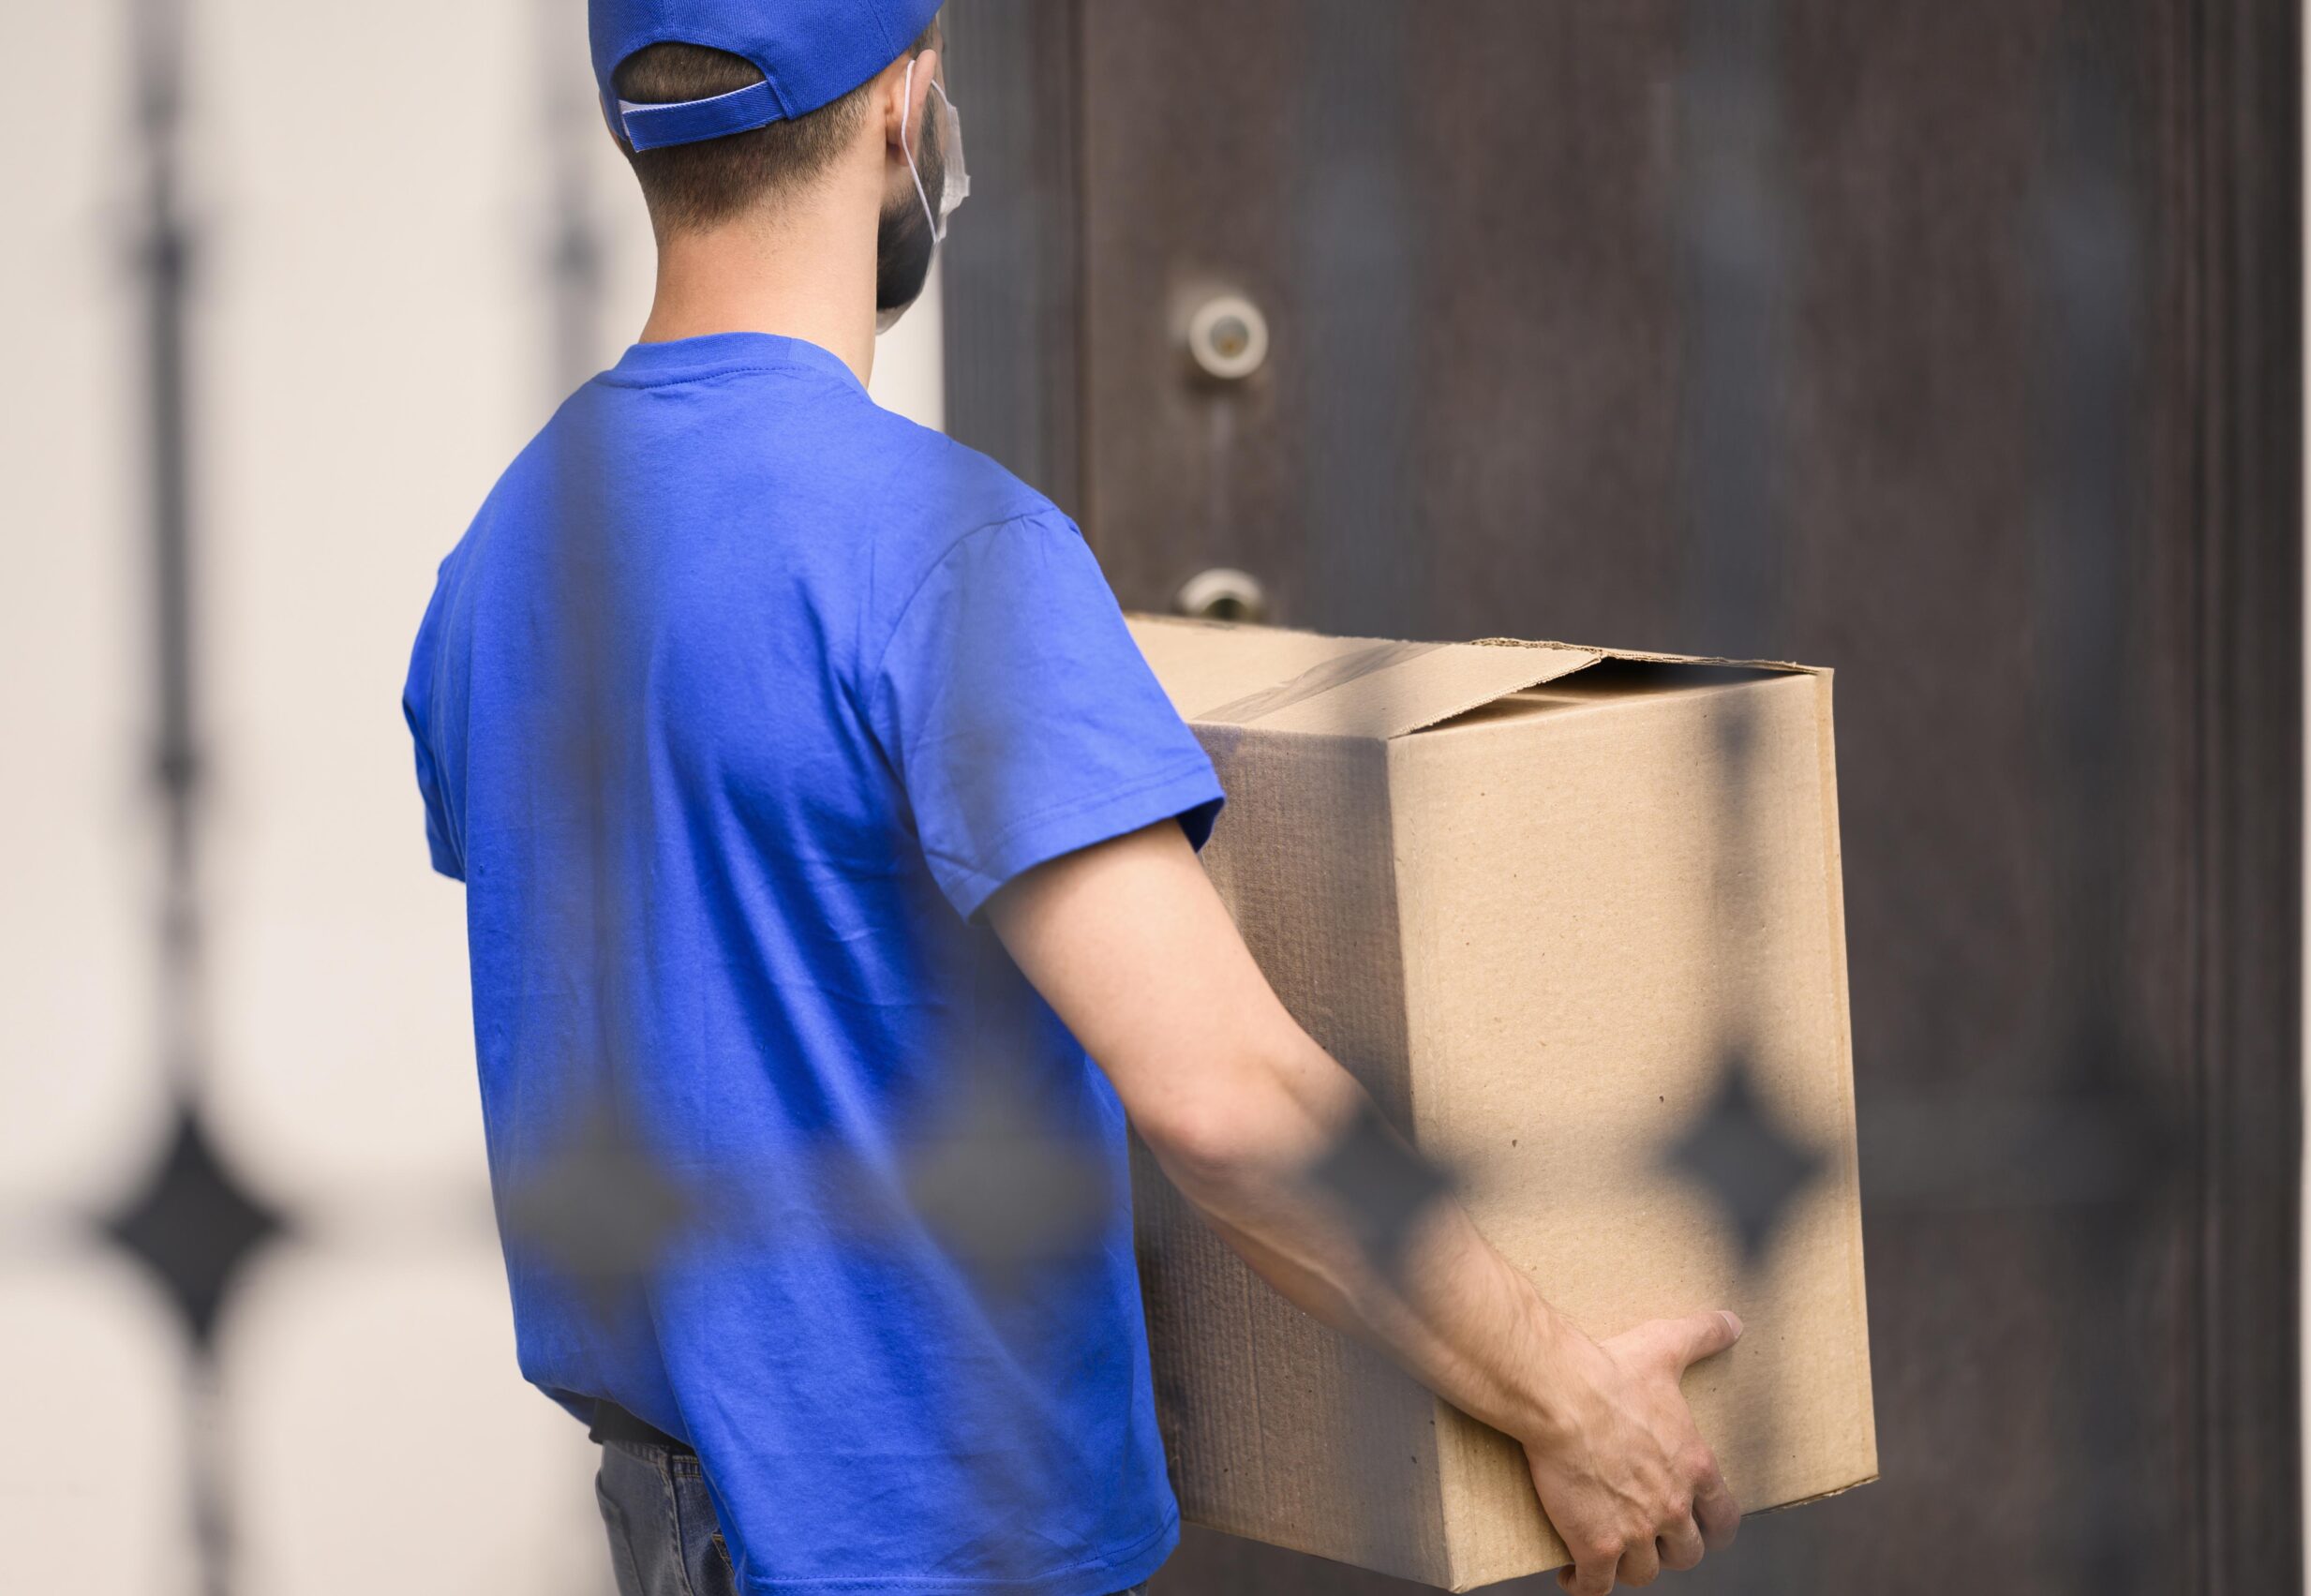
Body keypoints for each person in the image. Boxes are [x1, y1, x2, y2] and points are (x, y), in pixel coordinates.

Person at [402, 3, 1741, 1593]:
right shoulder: (945, 551)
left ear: (636, 135)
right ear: (907, 112)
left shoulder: (502, 559)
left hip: (679, 1541)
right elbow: (1225, 1098)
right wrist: (1577, 1407)